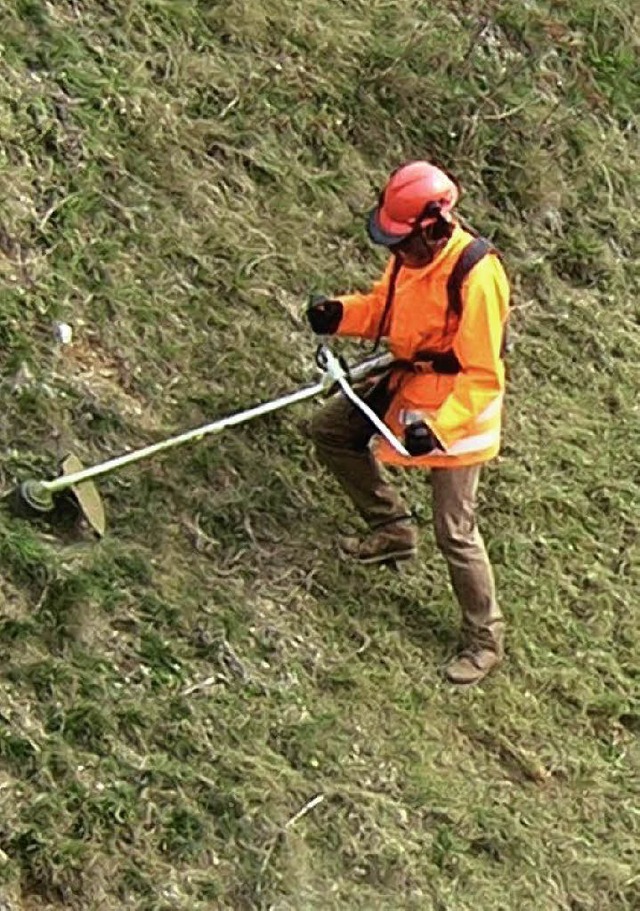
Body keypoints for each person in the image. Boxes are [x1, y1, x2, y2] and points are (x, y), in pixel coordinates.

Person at [306, 160, 510, 686]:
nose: (395, 253)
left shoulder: (476, 274)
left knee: (455, 531)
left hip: (459, 411)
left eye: (402, 242)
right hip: (409, 381)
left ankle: (484, 639)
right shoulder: (409, 260)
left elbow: (484, 374)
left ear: (433, 227)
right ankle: (392, 528)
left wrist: (438, 429)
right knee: (331, 432)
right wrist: (341, 315)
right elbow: (387, 310)